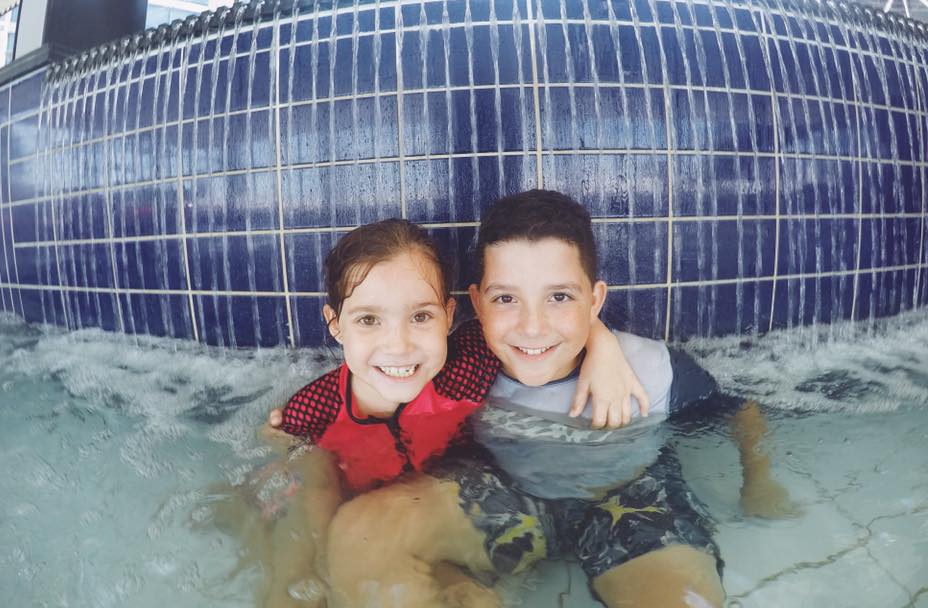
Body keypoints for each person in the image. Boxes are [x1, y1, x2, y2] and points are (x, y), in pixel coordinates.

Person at [325, 190, 797, 608]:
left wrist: (758, 479)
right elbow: (368, 387)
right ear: (476, 301)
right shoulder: (455, 362)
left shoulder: (652, 371)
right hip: (505, 492)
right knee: (361, 535)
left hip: (628, 494)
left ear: (595, 301)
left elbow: (739, 409)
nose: (532, 327)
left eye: (559, 298)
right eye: (506, 299)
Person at [245, 217, 646, 607]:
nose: (398, 346)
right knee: (306, 575)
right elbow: (295, 478)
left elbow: (535, 327)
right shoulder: (313, 411)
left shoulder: (464, 367)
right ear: (335, 326)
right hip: (368, 513)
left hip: (439, 506)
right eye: (369, 320)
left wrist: (602, 343)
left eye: (421, 317)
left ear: (448, 317)